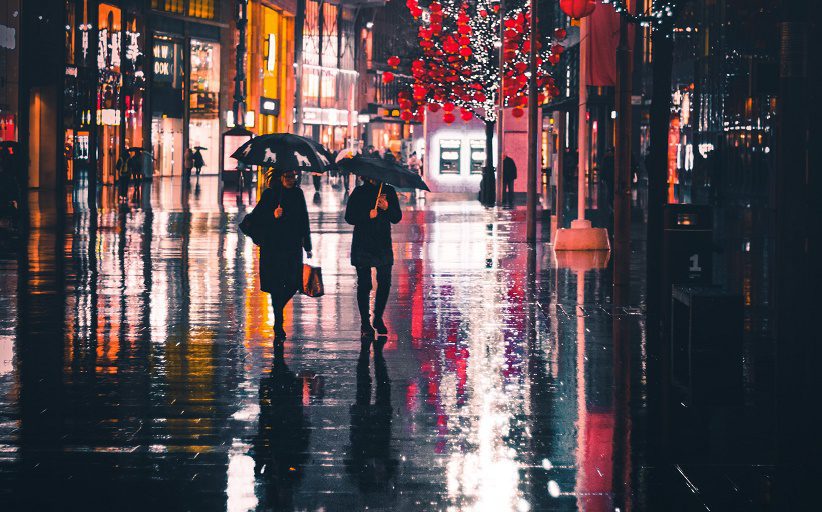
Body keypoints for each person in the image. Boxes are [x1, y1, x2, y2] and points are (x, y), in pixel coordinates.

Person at [248, 169, 313, 341]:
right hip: (274, 248)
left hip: (292, 247)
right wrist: (273, 215)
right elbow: (255, 219)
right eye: (288, 176)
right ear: (280, 177)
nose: (292, 180)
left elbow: (303, 219)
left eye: (294, 176)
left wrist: (307, 245)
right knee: (276, 287)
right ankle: (278, 322)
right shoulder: (270, 195)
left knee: (293, 283)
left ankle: (278, 310)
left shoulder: (298, 194)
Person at [345, 178, 402, 338]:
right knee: (364, 284)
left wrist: (387, 207)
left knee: (385, 281)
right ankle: (365, 322)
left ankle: (378, 317)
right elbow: (349, 217)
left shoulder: (388, 191)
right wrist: (367, 215)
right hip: (363, 244)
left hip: (382, 244)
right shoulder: (359, 192)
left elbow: (396, 217)